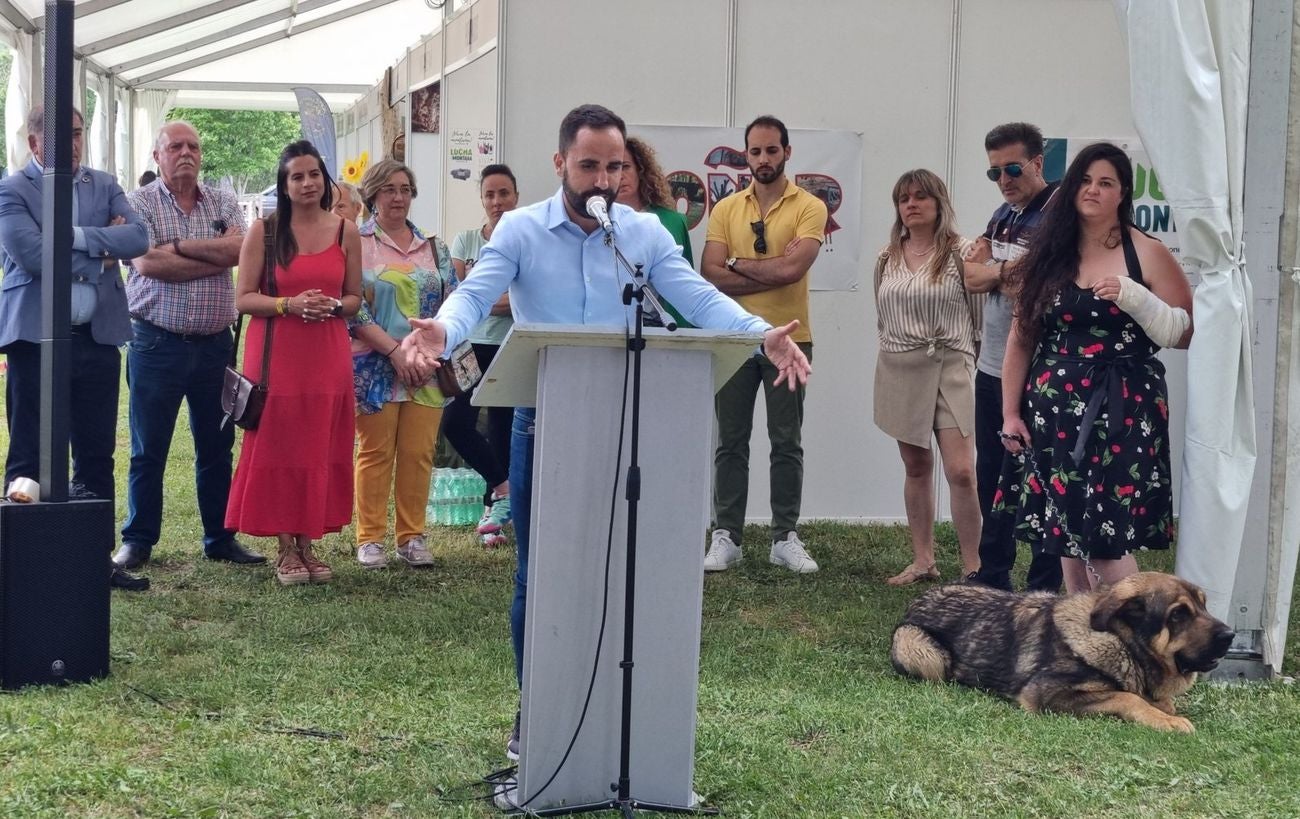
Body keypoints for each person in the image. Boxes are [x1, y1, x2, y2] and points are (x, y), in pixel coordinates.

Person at [397, 104, 810, 760]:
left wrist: (761, 335)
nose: (602, 178)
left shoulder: (639, 232)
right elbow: (475, 293)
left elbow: (695, 299)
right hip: (546, 420)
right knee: (541, 573)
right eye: (588, 164)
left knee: (621, 568)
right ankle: (538, 705)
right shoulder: (523, 231)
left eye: (614, 166)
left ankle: (615, 709)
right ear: (561, 163)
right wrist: (444, 331)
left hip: (627, 418)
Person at [998, 142, 1192, 593]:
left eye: (1106, 183)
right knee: (1066, 531)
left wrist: (1136, 298)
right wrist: (1010, 414)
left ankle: (1138, 639)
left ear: (1123, 193)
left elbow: (1184, 332)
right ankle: (1086, 638)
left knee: (1105, 534)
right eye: (1085, 180)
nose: (1093, 190)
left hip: (1121, 410)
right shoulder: (1049, 251)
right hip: (1053, 410)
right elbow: (1020, 338)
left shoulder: (1146, 251)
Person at [0, 105, 150, 591]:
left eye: (79, 134)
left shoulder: (104, 184)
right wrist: (98, 253)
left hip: (96, 340)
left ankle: (94, 563)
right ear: (34, 143)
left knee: (95, 455)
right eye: (62, 136)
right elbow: (31, 254)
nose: (74, 144)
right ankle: (26, 567)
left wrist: (74, 237)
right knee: (30, 452)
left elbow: (138, 238)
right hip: (35, 342)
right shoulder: (12, 189)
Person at [112, 120, 268, 574]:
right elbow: (146, 262)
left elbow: (240, 251)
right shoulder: (137, 202)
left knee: (217, 447)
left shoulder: (221, 199)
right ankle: (138, 541)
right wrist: (209, 254)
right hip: (155, 344)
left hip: (215, 347)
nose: (186, 153)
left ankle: (220, 537)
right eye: (175, 146)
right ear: (157, 157)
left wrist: (177, 246)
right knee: (148, 447)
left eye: (193, 146)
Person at [225, 140, 362, 585]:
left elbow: (354, 298)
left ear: (325, 179)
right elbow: (243, 298)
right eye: (297, 176)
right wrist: (289, 305)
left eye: (314, 174)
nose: (307, 183)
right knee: (282, 445)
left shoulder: (346, 231)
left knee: (319, 443)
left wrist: (332, 307)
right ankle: (286, 548)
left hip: (326, 353)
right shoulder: (264, 231)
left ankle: (309, 542)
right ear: (284, 185)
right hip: (277, 353)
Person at [700, 114, 827, 574]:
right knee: (729, 442)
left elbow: (791, 272)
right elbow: (709, 275)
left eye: (772, 150)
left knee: (785, 441)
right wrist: (760, 267)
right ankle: (727, 536)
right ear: (746, 155)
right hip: (734, 338)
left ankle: (783, 537)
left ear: (787, 152)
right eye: (755, 151)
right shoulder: (725, 208)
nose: (763, 159)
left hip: (792, 341)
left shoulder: (810, 206)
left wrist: (735, 263)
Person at [963, 122, 1064, 593]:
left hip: (1039, 372)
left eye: (1012, 168)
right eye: (994, 172)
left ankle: (1044, 584)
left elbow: (1034, 280)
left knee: (1043, 478)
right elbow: (968, 276)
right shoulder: (1003, 214)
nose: (1003, 179)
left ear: (1038, 163)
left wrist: (993, 270)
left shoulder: (1060, 213)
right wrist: (1002, 271)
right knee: (991, 475)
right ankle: (994, 574)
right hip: (991, 369)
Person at [872, 170, 982, 585]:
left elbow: (979, 314)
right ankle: (923, 560)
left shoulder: (963, 251)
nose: (911, 204)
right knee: (916, 466)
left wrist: (967, 357)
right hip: (901, 365)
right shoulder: (886, 257)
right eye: (904, 198)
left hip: (950, 364)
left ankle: (974, 566)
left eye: (920, 196)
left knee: (962, 471)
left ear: (939, 202)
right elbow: (882, 317)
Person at [349, 158, 457, 569]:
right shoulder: (356, 243)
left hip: (426, 368)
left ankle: (411, 537)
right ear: (373, 194)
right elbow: (352, 308)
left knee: (418, 452)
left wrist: (426, 354)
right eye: (390, 189)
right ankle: (370, 538)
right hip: (374, 365)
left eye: (405, 189)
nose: (398, 197)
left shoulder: (434, 246)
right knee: (375, 451)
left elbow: (453, 301)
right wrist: (394, 353)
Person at [444, 164, 519, 548]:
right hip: (469, 348)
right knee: (456, 422)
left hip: (510, 345)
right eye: (490, 194)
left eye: (503, 193)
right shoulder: (466, 241)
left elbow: (518, 302)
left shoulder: (524, 239)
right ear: (482, 200)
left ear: (516, 197)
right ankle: (502, 487)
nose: (497, 202)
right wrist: (493, 300)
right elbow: (459, 294)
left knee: (503, 429)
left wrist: (482, 299)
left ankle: (496, 515)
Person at [617, 136, 693, 265]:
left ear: (640, 170)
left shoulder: (674, 221)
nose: (620, 176)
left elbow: (687, 278)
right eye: (613, 168)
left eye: (625, 166)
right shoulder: (594, 224)